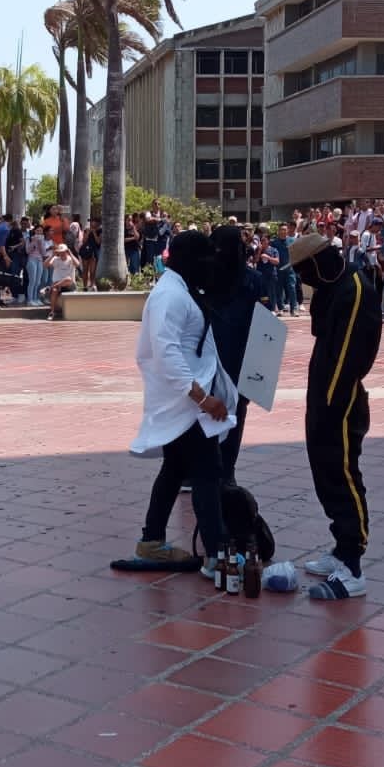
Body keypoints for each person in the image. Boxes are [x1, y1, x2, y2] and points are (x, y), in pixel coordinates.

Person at [113, 230, 236, 573]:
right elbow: (166, 353)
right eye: (205, 259)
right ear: (188, 260)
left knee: (175, 470)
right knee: (208, 474)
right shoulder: (170, 296)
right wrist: (203, 399)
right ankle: (216, 555)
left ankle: (151, 542)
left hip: (185, 403)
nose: (209, 265)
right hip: (185, 403)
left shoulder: (182, 290)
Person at [289, 233, 382, 600]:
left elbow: (350, 357)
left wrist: (329, 406)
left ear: (316, 263)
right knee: (324, 470)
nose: (301, 280)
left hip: (340, 400)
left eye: (302, 271)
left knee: (341, 471)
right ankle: (341, 547)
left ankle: (353, 561)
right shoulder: (332, 285)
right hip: (323, 392)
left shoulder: (354, 289)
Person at [206, 225, 264, 486]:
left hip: (207, 360)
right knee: (235, 417)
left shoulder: (203, 279)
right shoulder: (253, 279)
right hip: (241, 361)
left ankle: (204, 470)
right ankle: (227, 471)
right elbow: (265, 325)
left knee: (204, 415)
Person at [45, 240, 79, 320]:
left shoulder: (71, 259)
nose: (62, 253)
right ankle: (52, 312)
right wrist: (52, 255)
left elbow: (77, 264)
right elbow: (45, 265)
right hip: (58, 285)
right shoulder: (56, 259)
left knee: (68, 279)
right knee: (54, 290)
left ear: (66, 251)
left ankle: (50, 287)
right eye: (60, 252)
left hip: (69, 285)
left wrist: (70, 253)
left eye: (63, 252)